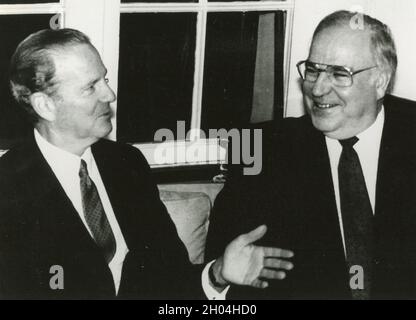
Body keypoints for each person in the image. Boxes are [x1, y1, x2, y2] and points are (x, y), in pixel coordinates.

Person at [0, 28, 294, 299]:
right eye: (90, 87)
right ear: (45, 105)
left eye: (104, 79)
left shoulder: (126, 165)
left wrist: (217, 274)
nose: (110, 94)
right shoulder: (8, 189)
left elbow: (171, 278)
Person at [206, 10, 416, 299]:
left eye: (339, 74)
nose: (317, 88)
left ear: (380, 81)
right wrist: (218, 279)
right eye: (313, 70)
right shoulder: (259, 149)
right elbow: (226, 273)